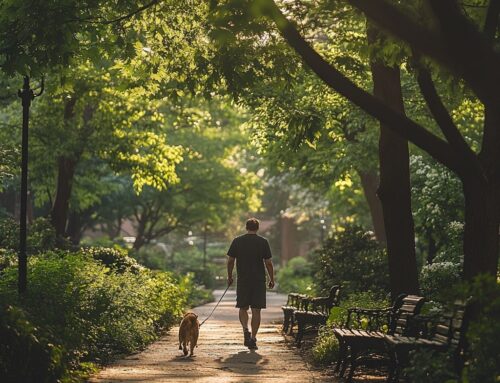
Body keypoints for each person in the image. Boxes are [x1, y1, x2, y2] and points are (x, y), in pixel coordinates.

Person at [227, 217, 275, 350]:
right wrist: (272, 279)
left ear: (246, 227)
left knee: (243, 307)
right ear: (257, 228)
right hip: (259, 281)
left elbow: (231, 261)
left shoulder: (237, 241)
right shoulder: (263, 242)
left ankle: (245, 330)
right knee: (256, 310)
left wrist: (230, 276)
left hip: (243, 280)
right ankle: (253, 338)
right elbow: (268, 263)